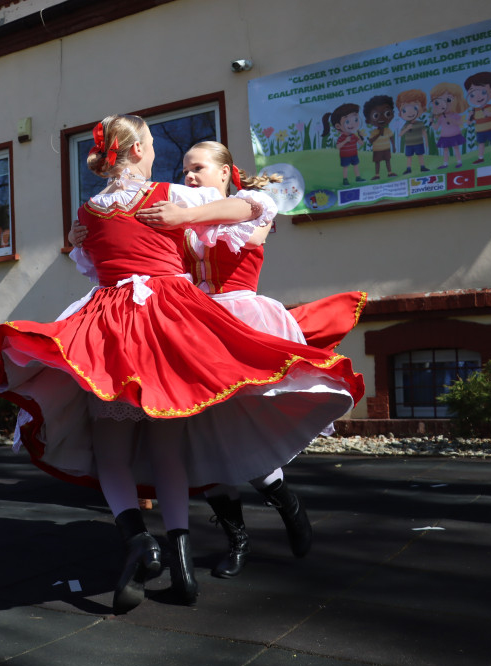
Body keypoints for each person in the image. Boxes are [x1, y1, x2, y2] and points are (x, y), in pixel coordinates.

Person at [0, 114, 363, 613]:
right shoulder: (169, 195)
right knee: (181, 442)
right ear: (137, 150)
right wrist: (173, 219)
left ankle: (158, 538)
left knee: (150, 441)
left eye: (199, 166)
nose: (183, 169)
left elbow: (95, 259)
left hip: (142, 321)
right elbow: (252, 204)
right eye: (158, 145)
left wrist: (91, 234)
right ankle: (192, 558)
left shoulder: (98, 207)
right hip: (172, 319)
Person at [83, 140, 365, 579]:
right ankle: (238, 538)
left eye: (198, 168)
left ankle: (285, 501)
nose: (189, 176)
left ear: (226, 173)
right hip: (190, 325)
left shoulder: (243, 209)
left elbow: (254, 214)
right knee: (199, 436)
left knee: (238, 428)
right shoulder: (177, 212)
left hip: (238, 321)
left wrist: (187, 215)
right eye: (185, 169)